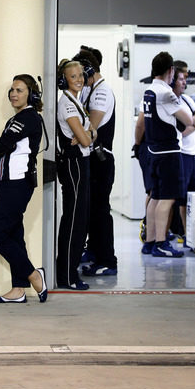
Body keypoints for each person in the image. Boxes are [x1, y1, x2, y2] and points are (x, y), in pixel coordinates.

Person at [0, 74, 48, 304]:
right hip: (6, 182)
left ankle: (33, 275)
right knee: (14, 235)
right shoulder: (18, 118)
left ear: (31, 94)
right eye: (12, 90)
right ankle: (18, 290)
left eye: (20, 90)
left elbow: (2, 145)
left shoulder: (30, 117)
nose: (13, 94)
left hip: (17, 183)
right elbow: (1, 148)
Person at [139, 52, 192, 258]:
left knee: (155, 197)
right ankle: (161, 242)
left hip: (152, 150)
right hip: (168, 151)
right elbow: (187, 120)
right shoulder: (166, 93)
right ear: (170, 70)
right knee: (167, 199)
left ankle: (150, 241)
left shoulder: (149, 90)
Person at [73, 46, 118, 278]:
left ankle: (107, 260)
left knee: (101, 212)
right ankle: (94, 251)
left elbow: (90, 128)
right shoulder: (92, 90)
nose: (77, 80)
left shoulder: (102, 92)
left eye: (79, 75)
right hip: (93, 159)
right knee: (93, 211)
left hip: (102, 159)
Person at [55, 58, 94, 289]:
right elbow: (87, 138)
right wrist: (87, 134)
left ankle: (69, 272)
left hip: (81, 161)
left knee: (80, 219)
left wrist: (87, 134)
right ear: (64, 80)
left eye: (80, 75)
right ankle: (67, 276)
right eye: (73, 76)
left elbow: (89, 135)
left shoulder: (76, 101)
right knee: (74, 220)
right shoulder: (68, 104)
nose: (78, 79)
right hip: (74, 164)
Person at [173, 62, 195, 241]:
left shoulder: (186, 99)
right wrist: (194, 123)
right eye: (181, 79)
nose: (184, 82)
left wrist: (190, 122)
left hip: (194, 154)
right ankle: (183, 232)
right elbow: (181, 130)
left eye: (185, 78)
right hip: (182, 153)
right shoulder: (171, 101)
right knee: (181, 197)